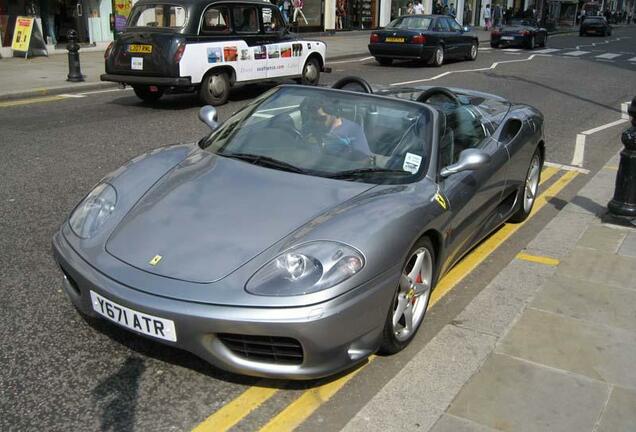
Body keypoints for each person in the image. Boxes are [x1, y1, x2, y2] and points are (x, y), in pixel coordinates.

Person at [301, 96, 371, 160]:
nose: (316, 122)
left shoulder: (354, 130)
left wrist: (343, 149)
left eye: (321, 118)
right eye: (313, 119)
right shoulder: (308, 127)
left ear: (333, 113)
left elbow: (363, 160)